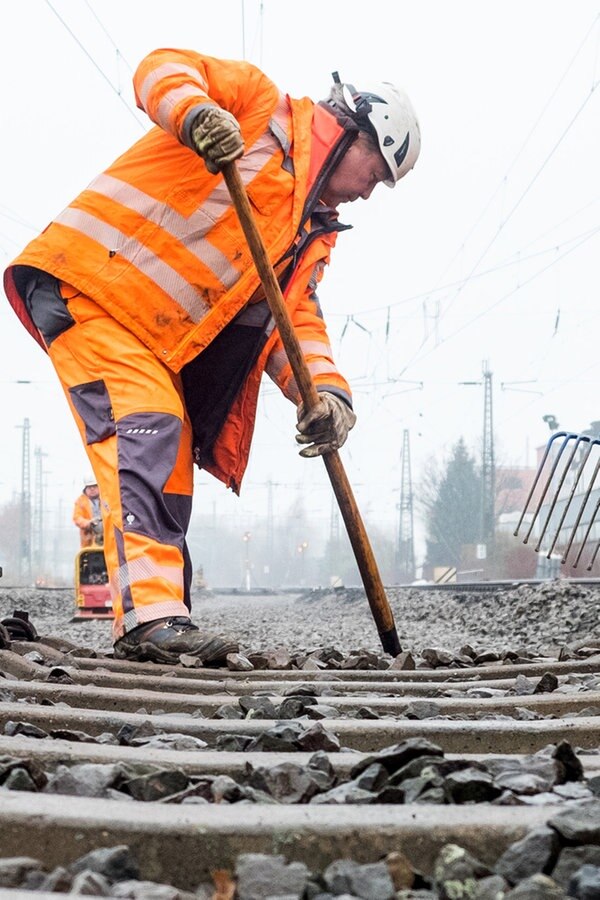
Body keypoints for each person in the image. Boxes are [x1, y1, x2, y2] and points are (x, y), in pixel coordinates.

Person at [3, 50, 420, 666]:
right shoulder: (256, 106)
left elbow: (290, 321)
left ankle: (162, 615)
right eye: (377, 173)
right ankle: (151, 624)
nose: (369, 191)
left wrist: (327, 396)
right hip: (93, 286)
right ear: (355, 135)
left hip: (151, 334)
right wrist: (196, 115)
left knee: (165, 451)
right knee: (151, 430)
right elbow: (160, 68)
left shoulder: (309, 233)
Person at [73, 477, 103, 547]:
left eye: (94, 486)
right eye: (89, 487)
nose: (92, 489)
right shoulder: (80, 501)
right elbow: (77, 517)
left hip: (109, 540)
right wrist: (88, 523)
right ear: (85, 488)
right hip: (88, 541)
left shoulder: (107, 500)